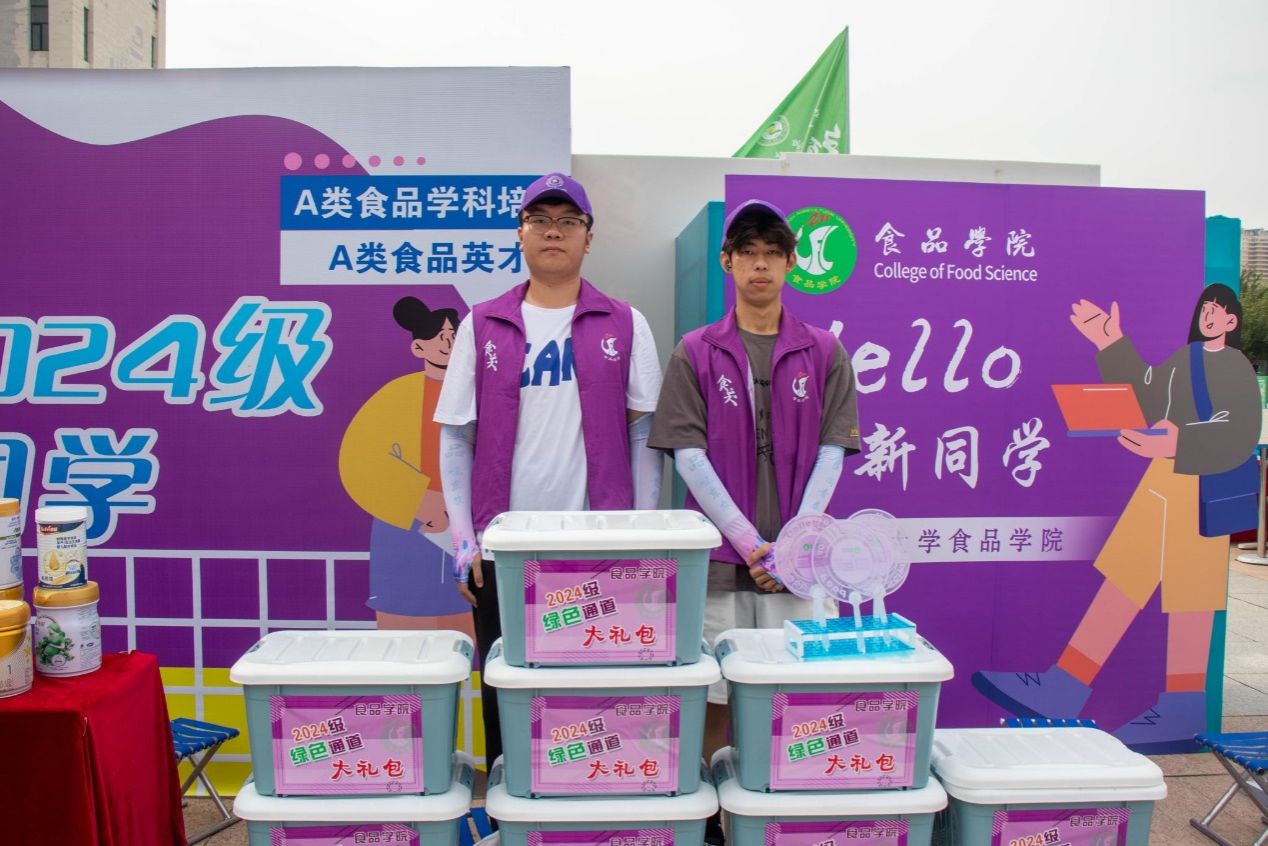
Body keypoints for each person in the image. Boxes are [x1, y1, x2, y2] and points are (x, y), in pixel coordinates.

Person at [434, 172, 664, 772]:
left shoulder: (625, 323)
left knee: (596, 693)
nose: (553, 232)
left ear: (589, 236)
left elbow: (645, 434)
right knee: (507, 689)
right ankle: (511, 809)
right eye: (540, 220)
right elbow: (456, 436)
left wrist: (639, 534)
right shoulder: (483, 323)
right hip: (502, 551)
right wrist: (463, 540)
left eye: (568, 221)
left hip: (599, 549)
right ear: (520, 233)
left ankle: (588, 805)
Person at [973, 283, 1260, 752]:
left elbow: (1239, 430)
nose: (1210, 315)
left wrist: (1179, 440)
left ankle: (1181, 705)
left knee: (1190, 592)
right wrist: (1111, 341)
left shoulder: (1235, 366)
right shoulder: (1185, 360)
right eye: (1205, 308)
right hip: (1162, 479)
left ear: (1232, 321)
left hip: (1200, 484)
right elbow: (1147, 394)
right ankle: (1066, 682)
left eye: (1219, 311)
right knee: (1125, 577)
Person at [650, 199, 859, 841]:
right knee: (714, 698)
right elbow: (689, 456)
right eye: (748, 253)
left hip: (802, 568)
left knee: (799, 699)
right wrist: (749, 544)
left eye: (772, 253)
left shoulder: (824, 350)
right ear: (727, 261)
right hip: (719, 563)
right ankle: (711, 824)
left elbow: (833, 451)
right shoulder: (696, 351)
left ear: (792, 263)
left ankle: (790, 820)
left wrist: (793, 548)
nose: (760, 265)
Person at [338, 296, 473, 638]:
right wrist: (422, 501)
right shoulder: (397, 394)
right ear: (418, 347)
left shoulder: (481, 395)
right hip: (406, 527)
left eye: (453, 335)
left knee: (469, 618)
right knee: (403, 627)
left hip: (468, 524)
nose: (448, 342)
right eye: (439, 336)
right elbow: (361, 460)